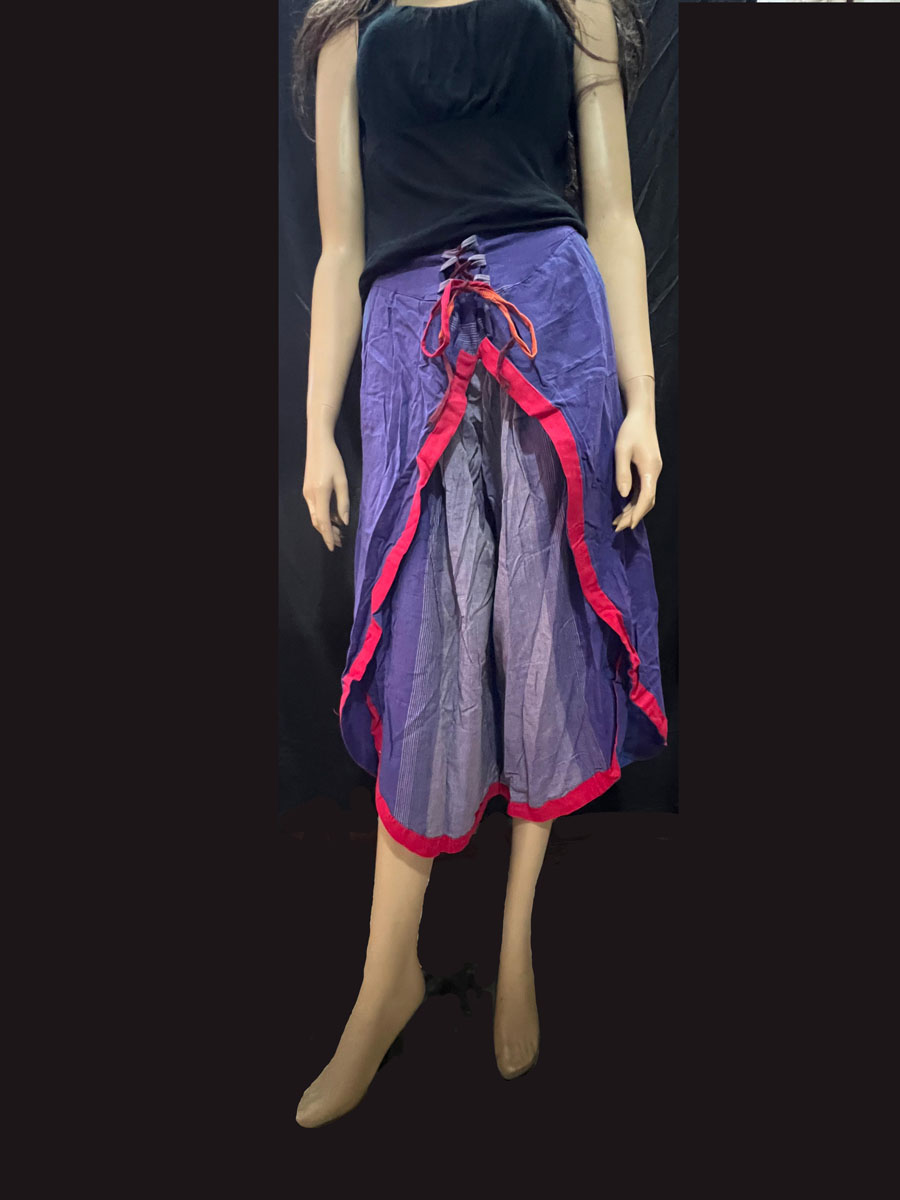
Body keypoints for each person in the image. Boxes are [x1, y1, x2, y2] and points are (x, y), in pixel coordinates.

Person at [290, 0, 667, 1128]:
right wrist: (314, 430)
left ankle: (514, 946)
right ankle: (385, 980)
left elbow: (614, 215)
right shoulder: (351, 25)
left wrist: (642, 399)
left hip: (555, 328)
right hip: (412, 350)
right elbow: (341, 251)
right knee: (422, 655)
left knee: (545, 636)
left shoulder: (571, 3)